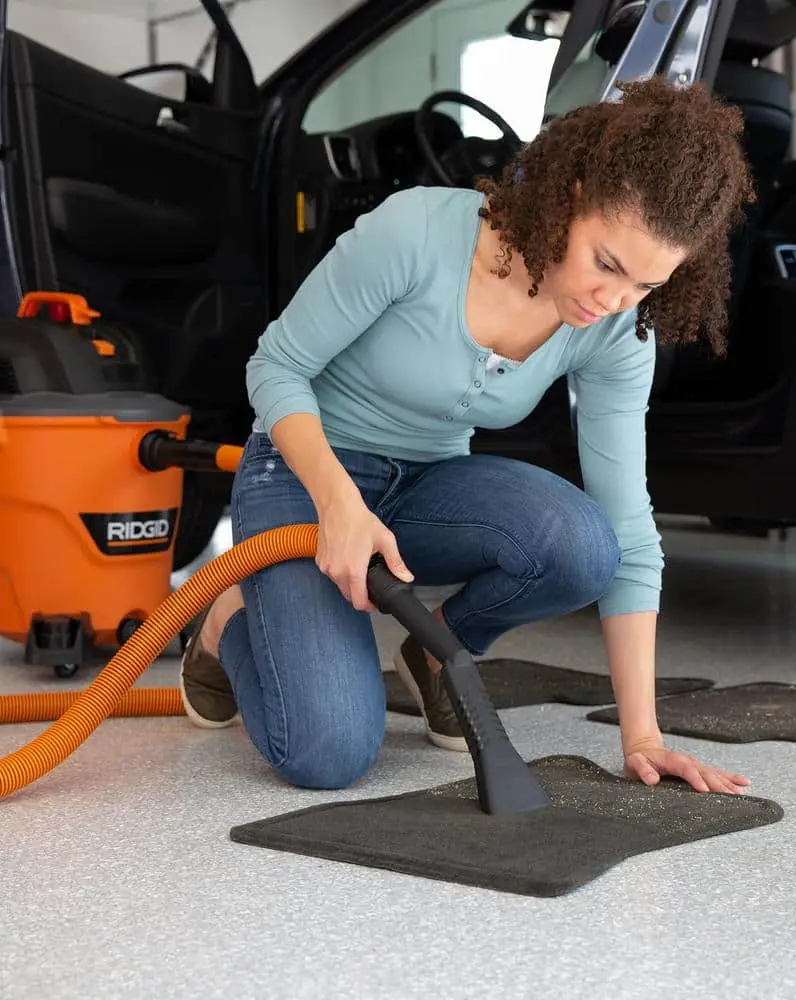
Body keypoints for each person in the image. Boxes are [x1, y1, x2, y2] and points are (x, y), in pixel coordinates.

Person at [177, 76, 756, 796]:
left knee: (584, 545)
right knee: (327, 753)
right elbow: (276, 366)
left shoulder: (614, 329)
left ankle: (434, 650)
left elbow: (629, 531)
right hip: (303, 474)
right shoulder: (418, 233)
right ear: (571, 196)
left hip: (425, 484)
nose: (614, 300)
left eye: (646, 285)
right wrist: (338, 503)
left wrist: (643, 737)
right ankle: (226, 621)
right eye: (607, 263)